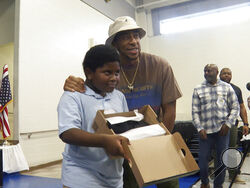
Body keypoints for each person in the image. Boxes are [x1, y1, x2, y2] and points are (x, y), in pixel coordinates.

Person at [63, 16, 182, 188]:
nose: (134, 41)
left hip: (159, 141)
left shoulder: (160, 65)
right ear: (115, 44)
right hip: (124, 145)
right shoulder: (110, 70)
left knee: (170, 184)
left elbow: (170, 110)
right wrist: (75, 83)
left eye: (136, 36)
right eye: (126, 37)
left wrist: (160, 143)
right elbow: (92, 86)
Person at [57, 44, 130, 188]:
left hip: (114, 177)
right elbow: (68, 133)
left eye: (117, 73)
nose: (114, 78)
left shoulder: (119, 97)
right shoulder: (73, 96)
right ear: (89, 72)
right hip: (81, 176)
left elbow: (125, 127)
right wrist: (105, 141)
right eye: (107, 73)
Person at [192, 64, 239, 188]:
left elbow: (235, 107)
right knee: (203, 160)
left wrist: (228, 124)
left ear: (217, 72)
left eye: (209, 71)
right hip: (205, 132)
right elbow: (195, 112)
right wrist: (199, 127)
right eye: (205, 71)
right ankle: (205, 182)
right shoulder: (198, 89)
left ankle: (218, 184)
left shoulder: (227, 88)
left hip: (222, 131)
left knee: (221, 160)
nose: (207, 73)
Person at [219, 68, 249, 184]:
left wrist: (246, 123)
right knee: (218, 149)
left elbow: (242, 107)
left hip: (231, 124)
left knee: (231, 149)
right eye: (224, 73)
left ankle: (232, 175)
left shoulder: (236, 89)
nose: (227, 75)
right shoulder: (213, 87)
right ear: (219, 75)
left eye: (229, 73)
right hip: (217, 124)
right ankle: (218, 175)